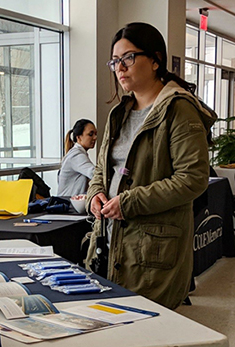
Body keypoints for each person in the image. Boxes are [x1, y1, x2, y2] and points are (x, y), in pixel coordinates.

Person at [86, 22, 217, 309]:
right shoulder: (118, 113)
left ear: (156, 60)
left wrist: (129, 201)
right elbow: (101, 168)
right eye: (115, 61)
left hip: (152, 250)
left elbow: (193, 179)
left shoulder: (178, 109)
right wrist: (96, 192)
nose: (120, 67)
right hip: (109, 240)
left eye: (128, 58)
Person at [57, 119, 97, 196]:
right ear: (79, 137)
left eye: (95, 134)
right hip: (68, 204)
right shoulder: (76, 155)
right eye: (90, 134)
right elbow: (94, 173)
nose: (95, 137)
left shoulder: (76, 152)